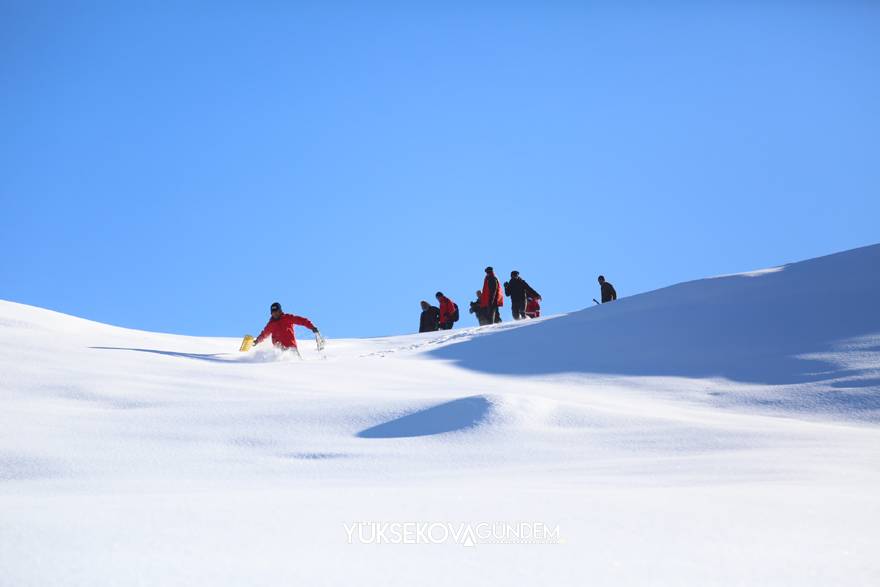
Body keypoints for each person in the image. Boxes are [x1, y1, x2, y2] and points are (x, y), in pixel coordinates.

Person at [254, 302, 319, 349]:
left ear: (280, 311)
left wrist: (312, 327)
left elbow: (302, 320)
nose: (275, 314)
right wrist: (257, 341)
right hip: (279, 351)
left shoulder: (288, 318)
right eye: (273, 312)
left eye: (276, 311)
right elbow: (264, 334)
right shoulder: (271, 324)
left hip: (292, 349)